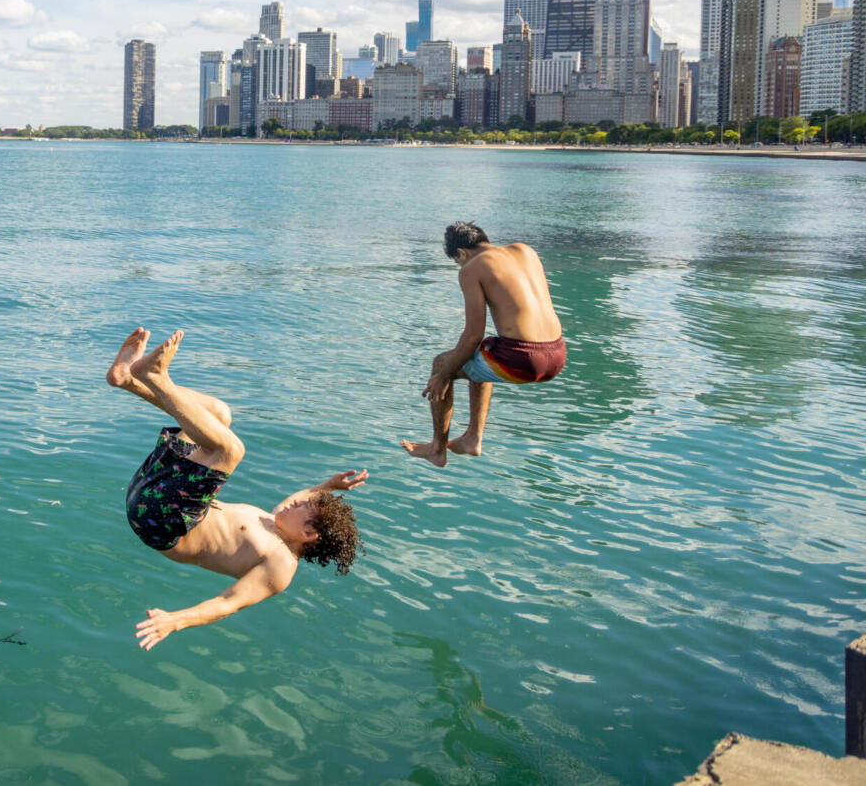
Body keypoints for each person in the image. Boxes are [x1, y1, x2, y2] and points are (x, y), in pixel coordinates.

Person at [106, 327, 366, 650]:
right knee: (219, 414)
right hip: (154, 494)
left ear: (309, 535)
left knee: (232, 451)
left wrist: (175, 620)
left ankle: (156, 376)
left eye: (302, 509)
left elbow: (229, 602)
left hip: (162, 521)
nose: (294, 503)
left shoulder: (280, 564)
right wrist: (327, 486)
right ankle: (129, 378)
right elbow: (300, 499)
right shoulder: (274, 523)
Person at [401, 221, 565, 468]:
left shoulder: (471, 268)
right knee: (484, 351)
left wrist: (442, 376)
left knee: (442, 362)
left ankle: (437, 449)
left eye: (458, 262)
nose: (461, 266)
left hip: (523, 360)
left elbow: (472, 335)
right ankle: (473, 437)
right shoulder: (525, 251)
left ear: (462, 254)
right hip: (558, 354)